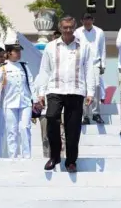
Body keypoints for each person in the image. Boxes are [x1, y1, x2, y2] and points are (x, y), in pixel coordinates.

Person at [38, 16, 95, 173]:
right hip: (55, 89)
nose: (68, 30)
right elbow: (44, 70)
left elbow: (89, 69)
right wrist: (40, 92)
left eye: (71, 27)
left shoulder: (84, 47)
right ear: (60, 28)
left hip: (76, 90)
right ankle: (55, 156)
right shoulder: (50, 47)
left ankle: (71, 161)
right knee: (51, 117)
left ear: (75, 28)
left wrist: (91, 92)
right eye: (65, 27)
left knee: (73, 128)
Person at [0, 38, 39, 159]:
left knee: (25, 128)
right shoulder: (2, 67)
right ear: (8, 53)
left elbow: (31, 83)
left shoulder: (24, 66)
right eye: (15, 51)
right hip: (10, 102)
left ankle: (26, 155)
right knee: (11, 130)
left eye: (19, 51)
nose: (19, 53)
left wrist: (36, 100)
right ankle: (13, 155)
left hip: (25, 101)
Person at [75, 13, 106, 125]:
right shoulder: (77, 32)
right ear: (81, 21)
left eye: (89, 19)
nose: (87, 22)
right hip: (82, 63)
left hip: (95, 63)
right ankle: (85, 115)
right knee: (84, 87)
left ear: (93, 20)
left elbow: (102, 48)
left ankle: (96, 113)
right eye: (85, 20)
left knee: (97, 85)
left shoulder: (99, 32)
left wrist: (103, 64)